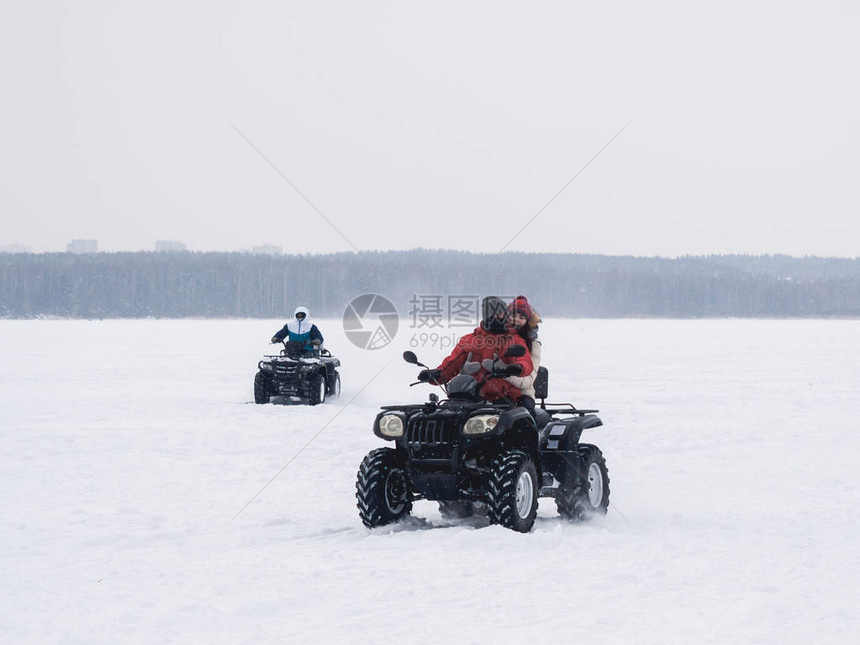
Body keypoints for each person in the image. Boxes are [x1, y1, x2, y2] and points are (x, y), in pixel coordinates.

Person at [419, 296, 532, 402]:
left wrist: (514, 368)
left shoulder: (513, 339)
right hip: (471, 395)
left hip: (505, 397)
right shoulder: (469, 340)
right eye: (495, 314)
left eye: (502, 314)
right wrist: (436, 375)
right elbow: (452, 364)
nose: (499, 318)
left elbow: (524, 360)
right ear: (486, 315)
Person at [504, 295, 542, 413]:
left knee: (523, 417)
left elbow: (528, 379)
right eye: (513, 315)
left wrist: (505, 373)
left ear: (528, 321)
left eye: (521, 317)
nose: (516, 320)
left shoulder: (533, 345)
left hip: (522, 394)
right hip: (492, 390)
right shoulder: (494, 338)